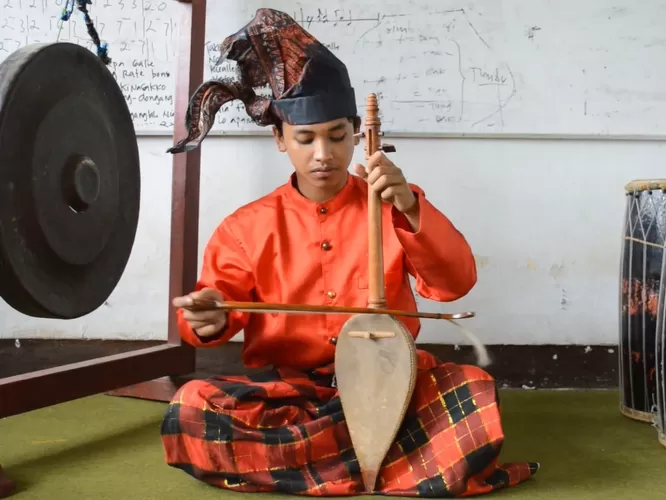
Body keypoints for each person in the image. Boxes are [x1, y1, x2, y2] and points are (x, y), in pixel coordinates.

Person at [162, 7, 538, 496]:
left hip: (392, 385)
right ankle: (383, 462)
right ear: (280, 139)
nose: (324, 154)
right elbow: (210, 317)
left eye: (338, 136)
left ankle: (321, 463)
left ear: (358, 132)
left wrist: (406, 203)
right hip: (293, 394)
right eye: (306, 138)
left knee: (472, 390)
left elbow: (454, 285)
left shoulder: (392, 204)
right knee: (192, 409)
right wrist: (206, 318)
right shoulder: (245, 227)